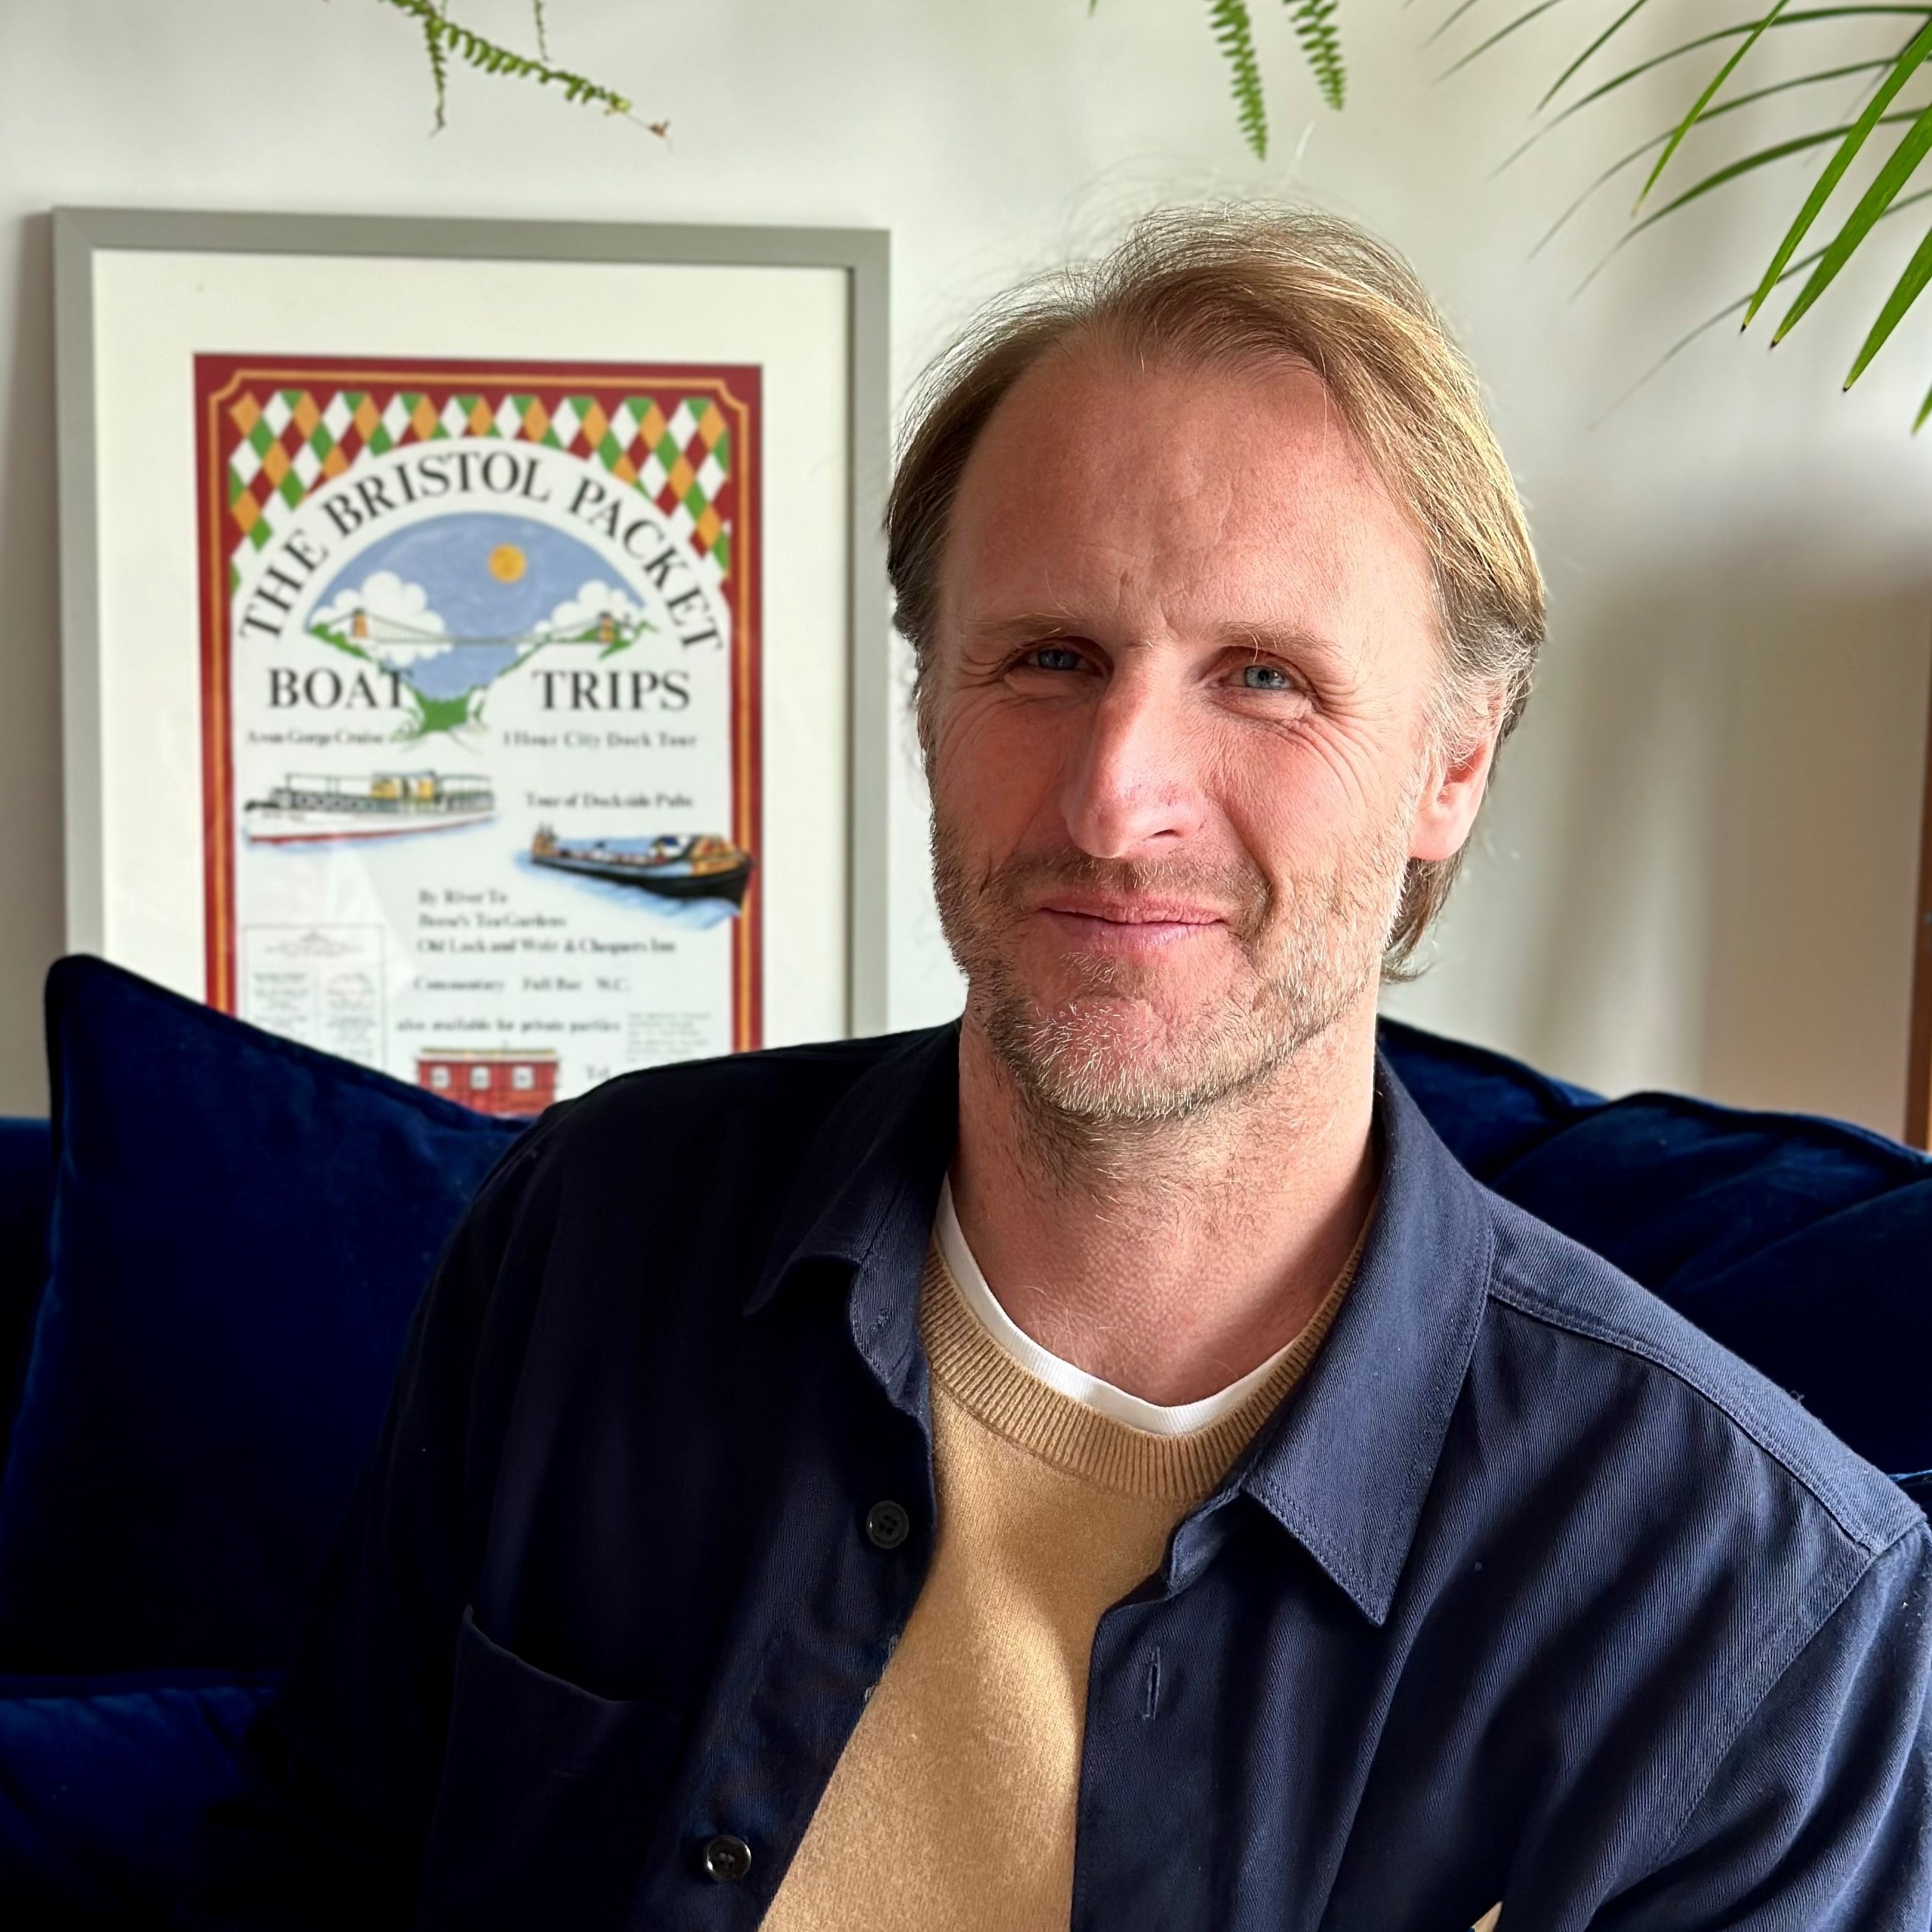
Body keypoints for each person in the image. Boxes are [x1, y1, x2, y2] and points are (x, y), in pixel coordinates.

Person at [182, 206, 1932, 1932]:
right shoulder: (587, 1239)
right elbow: (315, 1864)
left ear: (1451, 768)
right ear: (932, 702)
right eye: (1049, 659)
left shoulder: (1762, 1613)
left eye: (1263, 677)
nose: (1116, 797)